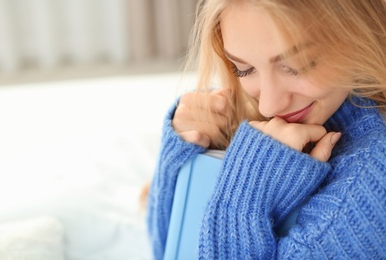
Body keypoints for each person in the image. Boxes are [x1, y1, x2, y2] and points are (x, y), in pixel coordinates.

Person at [147, 0, 386, 259]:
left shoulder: (369, 185)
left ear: (357, 30)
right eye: (244, 69)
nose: (269, 106)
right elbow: (165, 251)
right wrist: (179, 161)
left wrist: (242, 199)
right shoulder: (255, 117)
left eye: (296, 65)